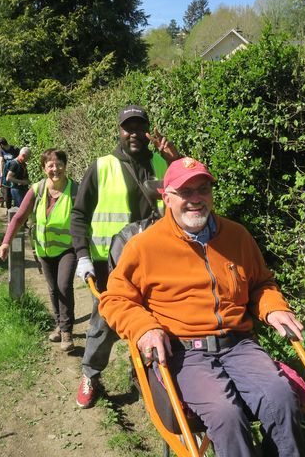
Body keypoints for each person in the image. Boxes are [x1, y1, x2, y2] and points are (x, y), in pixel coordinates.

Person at [99, 157, 305, 457]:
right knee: (226, 414)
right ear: (167, 198)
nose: (196, 199)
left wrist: (274, 307)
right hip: (184, 351)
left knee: (282, 398)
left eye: (203, 189)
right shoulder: (144, 247)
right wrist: (144, 329)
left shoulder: (238, 236)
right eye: (186, 192)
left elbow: (262, 284)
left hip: (240, 345)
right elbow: (115, 298)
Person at [71, 104, 180, 409]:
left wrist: (176, 157)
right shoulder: (101, 166)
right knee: (103, 325)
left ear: (147, 131)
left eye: (138, 127)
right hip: (111, 268)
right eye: (127, 127)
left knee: (155, 322)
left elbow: (191, 191)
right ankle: (90, 375)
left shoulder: (163, 163)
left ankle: (142, 375)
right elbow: (79, 214)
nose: (133, 134)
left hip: (157, 265)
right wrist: (82, 255)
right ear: (119, 131)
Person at [0, 149, 78, 351]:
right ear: (44, 168)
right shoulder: (38, 189)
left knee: (64, 286)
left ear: (65, 166)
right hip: (43, 249)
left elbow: (85, 219)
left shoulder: (75, 190)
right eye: (50, 165)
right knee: (52, 289)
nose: (55, 169)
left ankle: (67, 332)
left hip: (68, 248)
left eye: (59, 164)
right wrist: (6, 241)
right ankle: (59, 325)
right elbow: (19, 217)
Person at [0, 138, 20, 209]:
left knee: (15, 191)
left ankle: (17, 208)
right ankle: (8, 209)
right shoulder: (1, 151)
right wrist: (1, 173)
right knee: (7, 193)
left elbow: (19, 160)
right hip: (6, 173)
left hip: (15, 173)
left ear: (1, 145)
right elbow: (1, 161)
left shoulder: (15, 149)